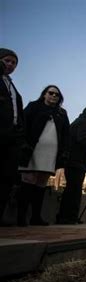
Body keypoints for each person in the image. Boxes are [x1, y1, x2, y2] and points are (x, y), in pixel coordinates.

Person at [17, 85, 70, 226]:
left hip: (50, 153)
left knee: (41, 183)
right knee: (28, 181)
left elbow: (66, 134)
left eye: (56, 95)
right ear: (44, 94)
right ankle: (21, 217)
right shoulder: (33, 107)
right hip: (32, 150)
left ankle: (36, 217)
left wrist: (64, 152)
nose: (53, 96)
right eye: (51, 93)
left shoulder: (62, 113)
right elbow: (23, 124)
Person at [56, 106, 86, 224]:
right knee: (74, 191)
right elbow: (83, 140)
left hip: (71, 161)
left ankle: (64, 216)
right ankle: (69, 217)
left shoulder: (77, 122)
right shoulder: (84, 123)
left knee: (70, 189)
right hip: (77, 162)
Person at [0, 48, 27, 226]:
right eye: (6, 61)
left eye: (13, 62)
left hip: (12, 138)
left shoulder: (11, 85)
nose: (10, 65)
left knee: (6, 178)